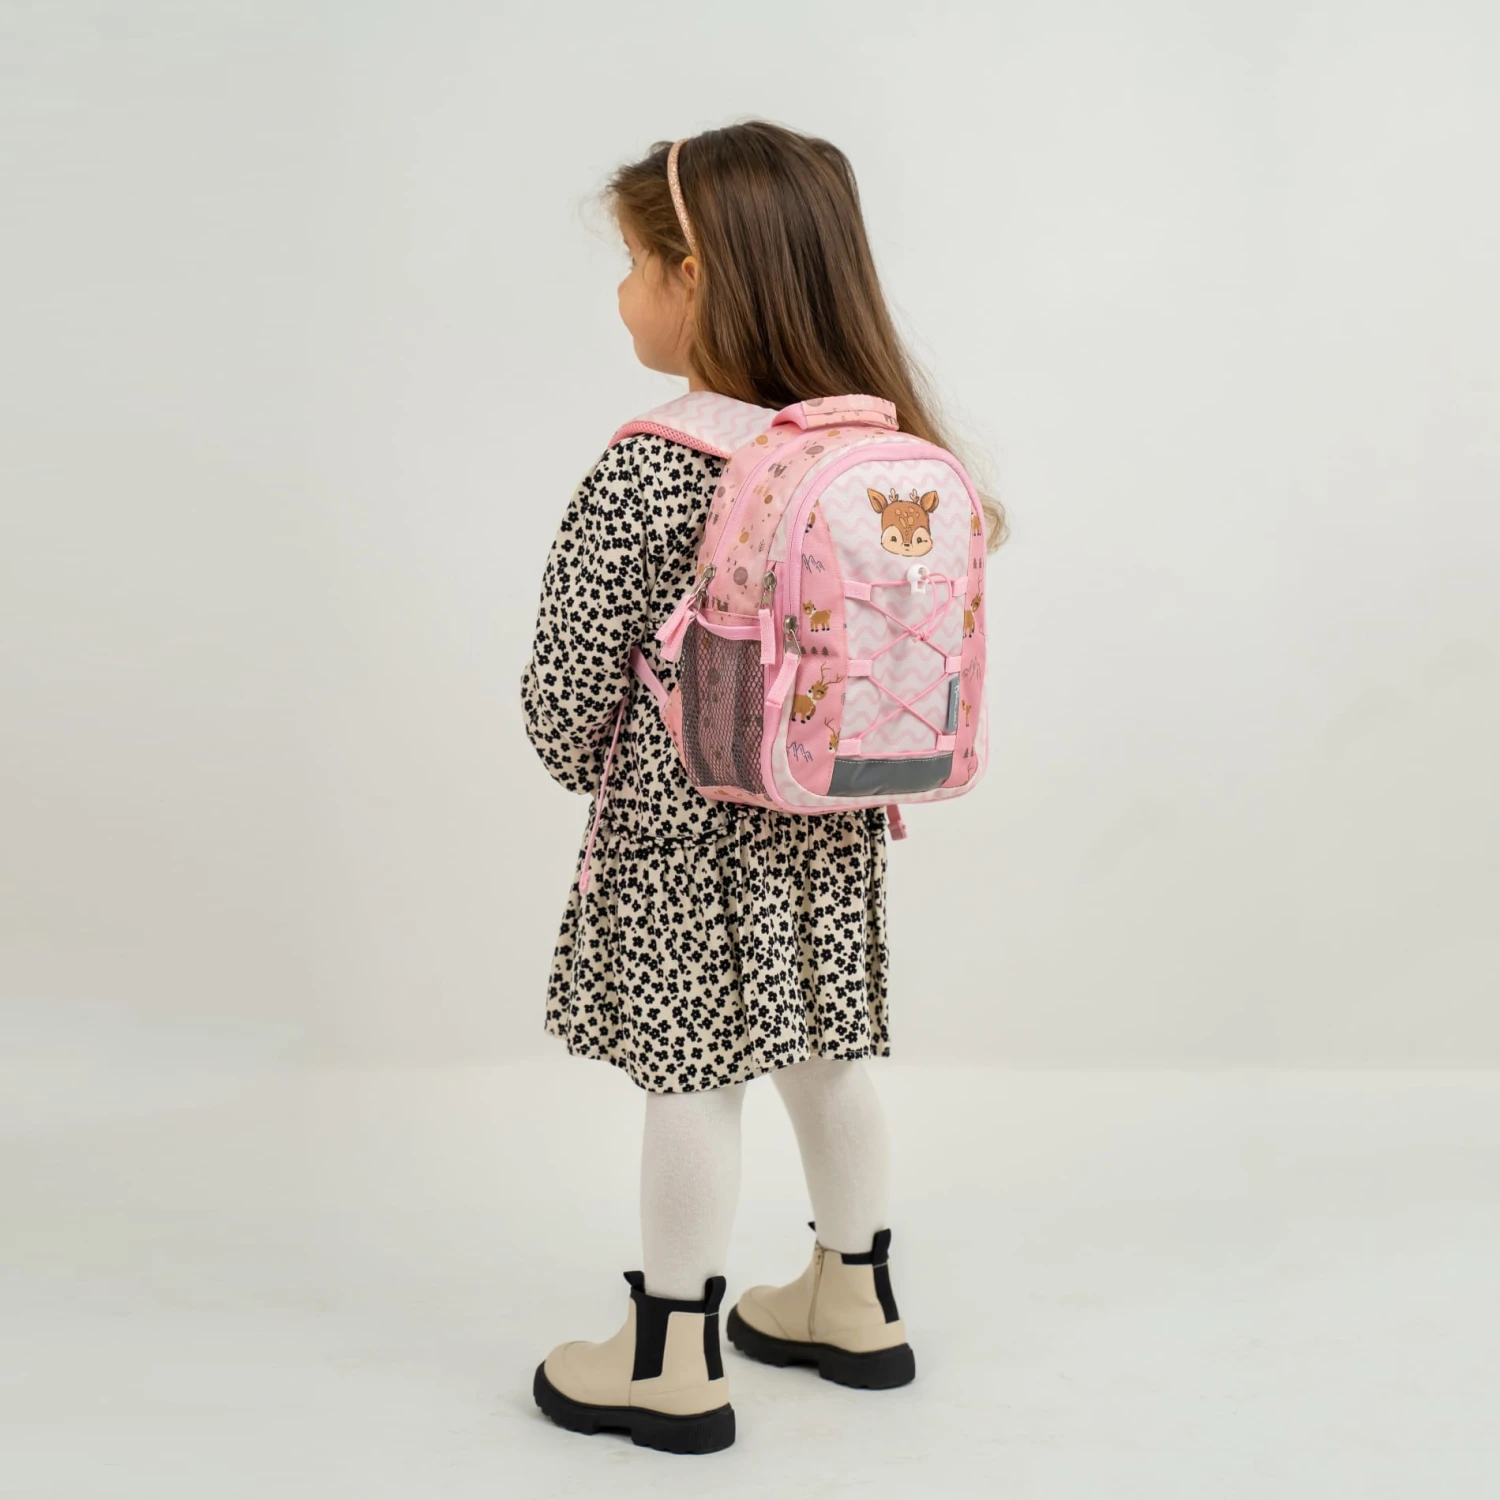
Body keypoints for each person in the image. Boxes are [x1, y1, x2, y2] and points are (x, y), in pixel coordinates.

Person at [521, 121, 1005, 1455]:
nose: (623, 293)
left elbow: (567, 688)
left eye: (635, 264)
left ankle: (669, 1360)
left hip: (682, 834)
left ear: (694, 277)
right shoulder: (873, 449)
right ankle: (856, 1299)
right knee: (827, 1056)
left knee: (692, 1076)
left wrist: (583, 757)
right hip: (832, 820)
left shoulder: (655, 459)